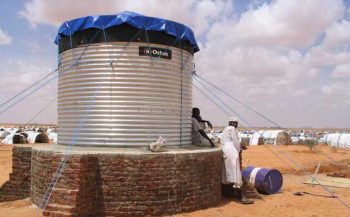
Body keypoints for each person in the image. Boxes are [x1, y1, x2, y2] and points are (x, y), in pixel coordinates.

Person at [221, 117, 254, 204]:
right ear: (234, 123)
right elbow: (235, 143)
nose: (236, 125)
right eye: (235, 123)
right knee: (236, 174)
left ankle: (228, 193)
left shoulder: (225, 129)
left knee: (228, 172)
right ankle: (241, 198)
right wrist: (240, 149)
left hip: (225, 152)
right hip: (231, 152)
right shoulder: (232, 129)